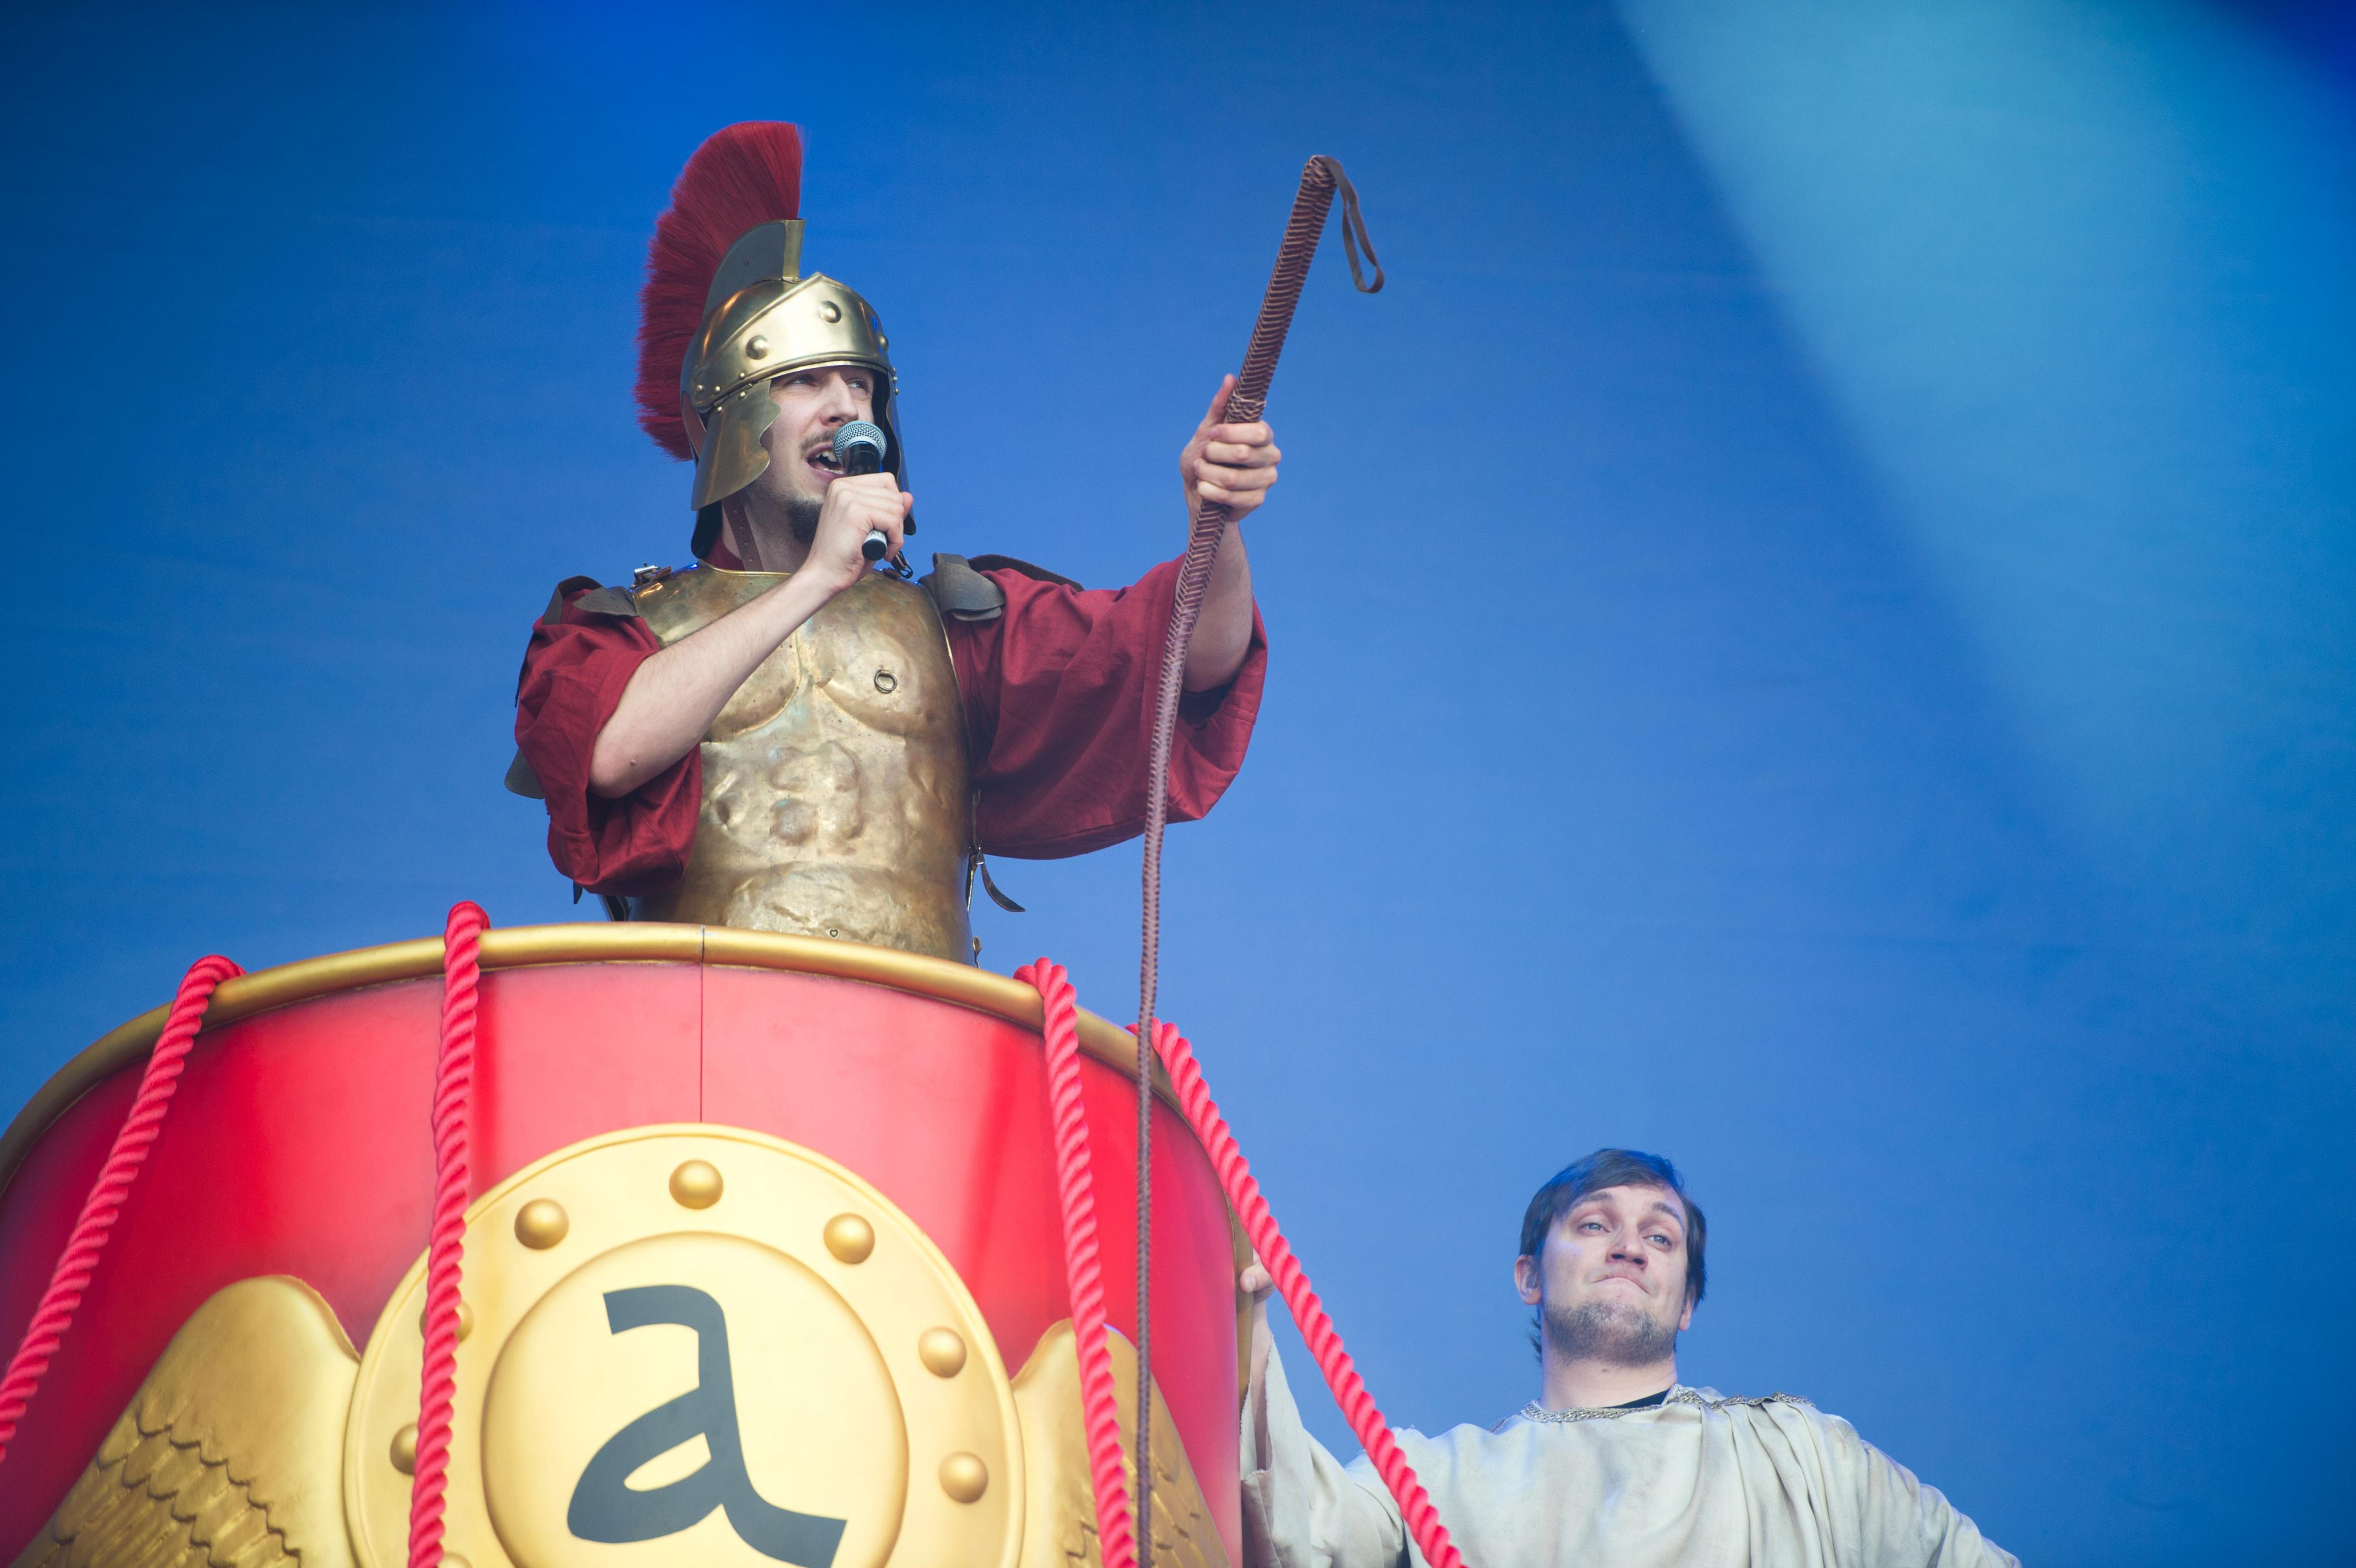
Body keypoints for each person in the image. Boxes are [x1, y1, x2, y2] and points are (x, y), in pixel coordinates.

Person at [508, 122, 1271, 962]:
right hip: (702, 1039)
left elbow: (1192, 661)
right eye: (804, 382)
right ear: (727, 423)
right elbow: (607, 756)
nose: (845, 408)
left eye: (861, 385)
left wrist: (1218, 523)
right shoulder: (622, 630)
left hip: (910, 1038)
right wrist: (813, 583)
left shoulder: (952, 631)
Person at [1239, 1149, 2018, 1567]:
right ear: (1529, 1277)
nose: (1629, 1247)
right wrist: (1242, 1326)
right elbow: (1296, 1536)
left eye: (1660, 1236)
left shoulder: (1806, 1458)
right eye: (1594, 1224)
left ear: (1686, 1302)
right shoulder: (1430, 1478)